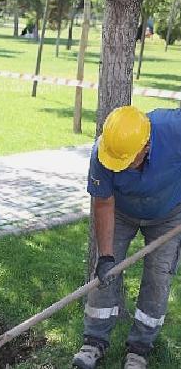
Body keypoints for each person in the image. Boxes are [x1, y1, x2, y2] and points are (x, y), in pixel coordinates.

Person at [72, 106, 181, 369]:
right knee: (105, 274)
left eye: (126, 161)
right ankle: (94, 342)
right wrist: (107, 255)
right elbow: (103, 202)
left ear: (145, 146)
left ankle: (139, 349)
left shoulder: (174, 129)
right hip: (120, 211)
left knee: (158, 277)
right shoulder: (104, 151)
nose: (119, 167)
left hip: (168, 214)